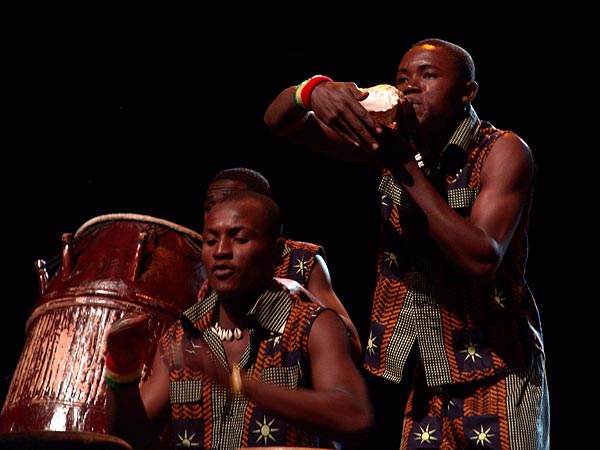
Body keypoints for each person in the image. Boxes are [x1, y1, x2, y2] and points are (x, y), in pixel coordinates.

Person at [264, 38, 550, 450]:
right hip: (429, 374)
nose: (411, 86)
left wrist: (401, 166)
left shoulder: (502, 150)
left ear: (467, 92)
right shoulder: (395, 142)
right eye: (403, 78)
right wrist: (313, 91)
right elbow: (279, 122)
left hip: (498, 368)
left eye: (428, 75)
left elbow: (480, 258)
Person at [104, 190, 373, 450]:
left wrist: (238, 383)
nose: (221, 251)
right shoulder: (183, 335)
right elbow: (130, 439)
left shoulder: (311, 326)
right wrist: (122, 371)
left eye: (240, 239)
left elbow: (355, 418)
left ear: (277, 252)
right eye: (210, 241)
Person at [200, 167, 362, 361]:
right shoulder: (206, 262)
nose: (216, 213)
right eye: (210, 207)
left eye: (230, 202)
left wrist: (301, 293)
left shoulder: (299, 258)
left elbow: (352, 345)